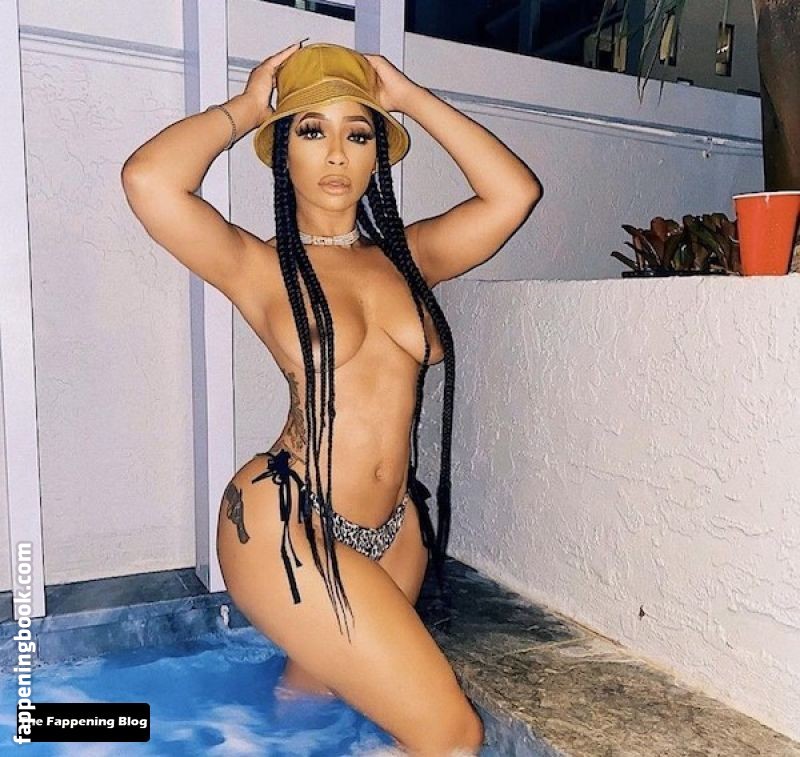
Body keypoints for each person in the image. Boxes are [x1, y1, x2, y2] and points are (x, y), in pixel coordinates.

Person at [121, 39, 540, 756]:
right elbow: (148, 180)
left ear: (378, 154)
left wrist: (407, 98)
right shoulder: (259, 265)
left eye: (359, 134)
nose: (338, 155)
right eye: (313, 132)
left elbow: (514, 194)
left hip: (394, 530)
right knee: (450, 734)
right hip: (286, 520)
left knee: (310, 703)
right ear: (282, 151)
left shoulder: (413, 258)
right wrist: (245, 108)